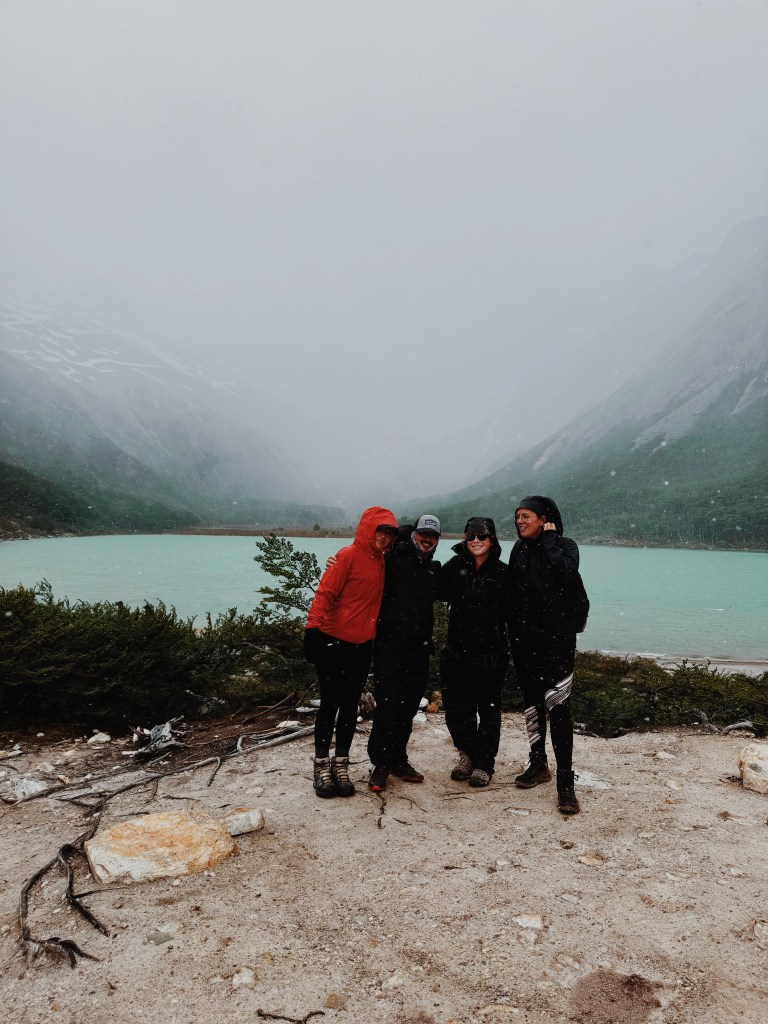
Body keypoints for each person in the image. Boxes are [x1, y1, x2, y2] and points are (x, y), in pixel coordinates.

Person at [303, 506, 398, 798]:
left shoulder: (383, 561)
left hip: (362, 646)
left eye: (389, 534)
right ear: (368, 529)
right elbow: (325, 593)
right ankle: (321, 766)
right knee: (330, 703)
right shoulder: (346, 556)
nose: (384, 538)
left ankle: (341, 765)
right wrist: (312, 630)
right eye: (380, 531)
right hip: (333, 641)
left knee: (349, 706)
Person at [507, 495, 581, 814]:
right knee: (533, 704)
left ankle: (565, 781)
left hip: (557, 642)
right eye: (517, 516)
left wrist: (550, 541)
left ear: (544, 519)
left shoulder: (566, 547)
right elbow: (513, 590)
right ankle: (538, 764)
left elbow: (565, 575)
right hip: (525, 641)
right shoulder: (519, 549)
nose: (519, 521)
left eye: (526, 516)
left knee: (558, 705)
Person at [367, 514, 443, 792]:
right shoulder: (391, 560)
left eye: (432, 536)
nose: (427, 540)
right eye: (423, 534)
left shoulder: (434, 569)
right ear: (413, 535)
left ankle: (398, 758)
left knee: (408, 707)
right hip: (389, 648)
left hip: (419, 650)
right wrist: (335, 562)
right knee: (387, 706)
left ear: (437, 541)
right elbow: (363, 567)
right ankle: (380, 764)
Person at [439, 516, 509, 788]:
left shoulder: (504, 573)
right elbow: (425, 583)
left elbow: (520, 611)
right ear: (464, 539)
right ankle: (467, 754)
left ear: (492, 540)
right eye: (471, 536)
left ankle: (484, 764)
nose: (476, 540)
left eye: (482, 536)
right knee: (458, 709)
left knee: (489, 711)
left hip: (491, 654)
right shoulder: (454, 567)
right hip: (457, 652)